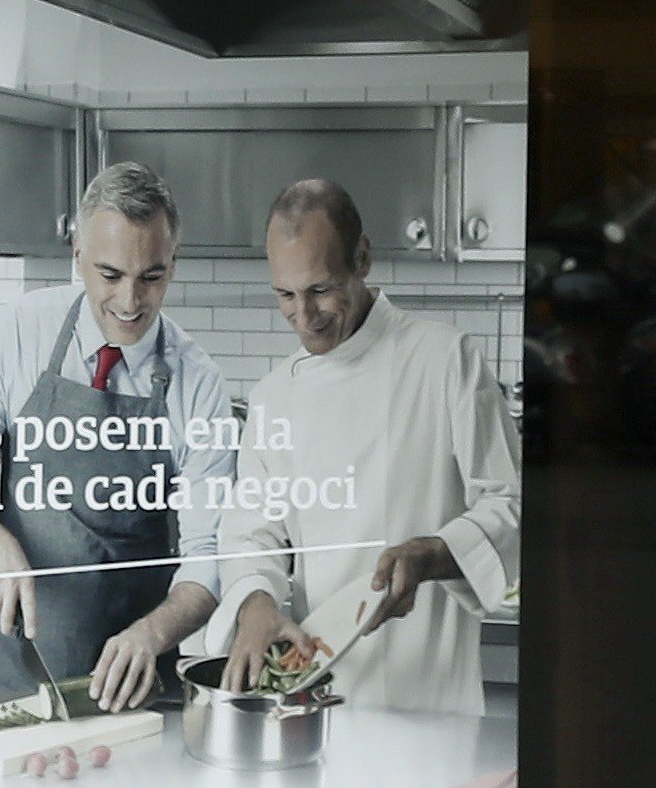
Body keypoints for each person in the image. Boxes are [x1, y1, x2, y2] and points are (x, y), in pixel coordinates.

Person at [0, 162, 230, 713]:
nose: (131, 302)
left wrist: (152, 636)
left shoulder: (197, 383)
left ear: (173, 264)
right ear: (77, 256)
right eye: (110, 275)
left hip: (128, 689)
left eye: (151, 277)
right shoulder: (19, 332)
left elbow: (210, 555)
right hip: (8, 675)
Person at [217, 179, 521, 716]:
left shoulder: (446, 360)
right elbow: (251, 532)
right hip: (320, 704)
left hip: (431, 702)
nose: (303, 317)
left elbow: (511, 504)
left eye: (320, 289)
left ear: (362, 258)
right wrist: (256, 602)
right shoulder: (273, 397)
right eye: (285, 295)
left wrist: (433, 555)